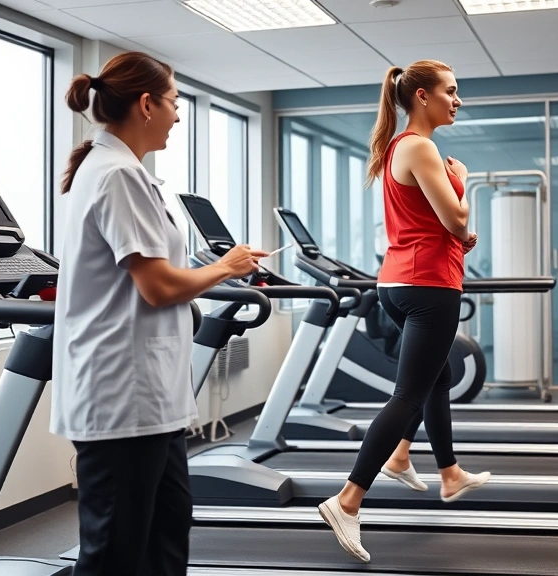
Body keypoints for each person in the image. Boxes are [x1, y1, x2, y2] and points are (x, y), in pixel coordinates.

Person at [50, 51, 266, 576]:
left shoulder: (123, 172)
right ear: (146, 104)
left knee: (167, 530)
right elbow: (158, 286)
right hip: (122, 394)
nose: (177, 115)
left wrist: (210, 272)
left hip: (149, 395)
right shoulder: (116, 174)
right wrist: (226, 267)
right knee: (116, 550)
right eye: (173, 103)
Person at [318, 59, 489, 563]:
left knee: (434, 380)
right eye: (451, 92)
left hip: (397, 279)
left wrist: (455, 235)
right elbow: (455, 222)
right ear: (421, 97)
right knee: (409, 394)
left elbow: (429, 222)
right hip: (429, 285)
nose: (457, 101)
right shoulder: (423, 146)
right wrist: (464, 181)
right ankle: (348, 500)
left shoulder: (397, 146)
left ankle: (441, 471)